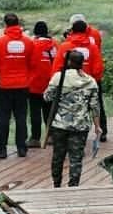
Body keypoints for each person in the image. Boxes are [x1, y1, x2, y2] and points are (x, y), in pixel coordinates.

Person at [42, 50, 100, 187]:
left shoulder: (59, 77)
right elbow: (95, 107)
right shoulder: (91, 81)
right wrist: (97, 126)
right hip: (81, 126)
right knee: (76, 158)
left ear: (69, 62)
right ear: (82, 63)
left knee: (58, 156)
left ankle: (56, 184)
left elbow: (47, 97)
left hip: (60, 124)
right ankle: (73, 186)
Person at [0, 13, 36, 159]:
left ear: (5, 25)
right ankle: (22, 148)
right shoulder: (28, 43)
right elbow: (33, 63)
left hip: (4, 85)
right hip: (23, 85)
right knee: (21, 117)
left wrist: (3, 66)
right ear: (18, 24)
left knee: (3, 118)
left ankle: (1, 149)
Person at [56, 18, 107, 140]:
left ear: (72, 31)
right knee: (97, 106)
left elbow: (57, 67)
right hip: (89, 82)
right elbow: (98, 68)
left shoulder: (64, 47)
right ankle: (102, 132)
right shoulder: (93, 47)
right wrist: (95, 80)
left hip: (69, 84)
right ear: (86, 31)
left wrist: (58, 83)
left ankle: (71, 134)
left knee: (70, 109)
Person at [27, 21, 58, 147]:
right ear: (47, 31)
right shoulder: (55, 45)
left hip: (34, 84)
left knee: (35, 112)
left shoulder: (32, 45)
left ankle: (35, 138)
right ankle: (51, 136)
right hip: (51, 83)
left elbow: (28, 63)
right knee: (49, 110)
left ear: (35, 32)